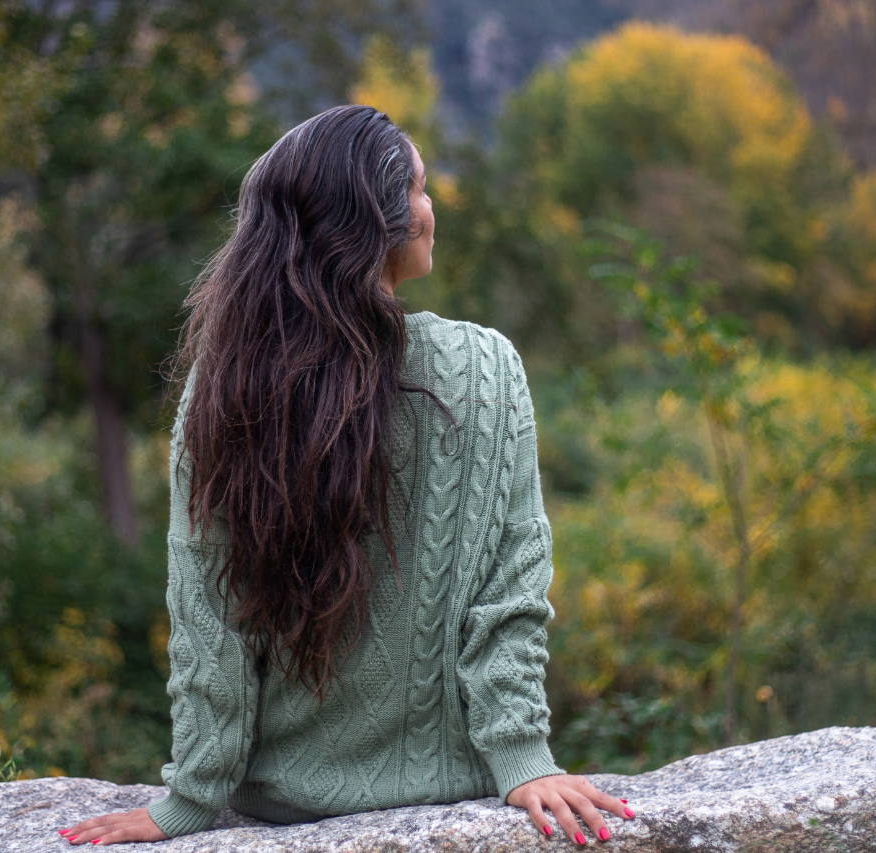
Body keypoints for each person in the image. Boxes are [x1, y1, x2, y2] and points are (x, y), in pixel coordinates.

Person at [59, 105, 635, 846]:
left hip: (278, 805)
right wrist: (522, 759)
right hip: (450, 789)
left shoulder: (226, 384)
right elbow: (510, 589)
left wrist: (191, 801)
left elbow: (209, 617)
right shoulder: (485, 366)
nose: (431, 207)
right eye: (418, 189)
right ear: (379, 222)